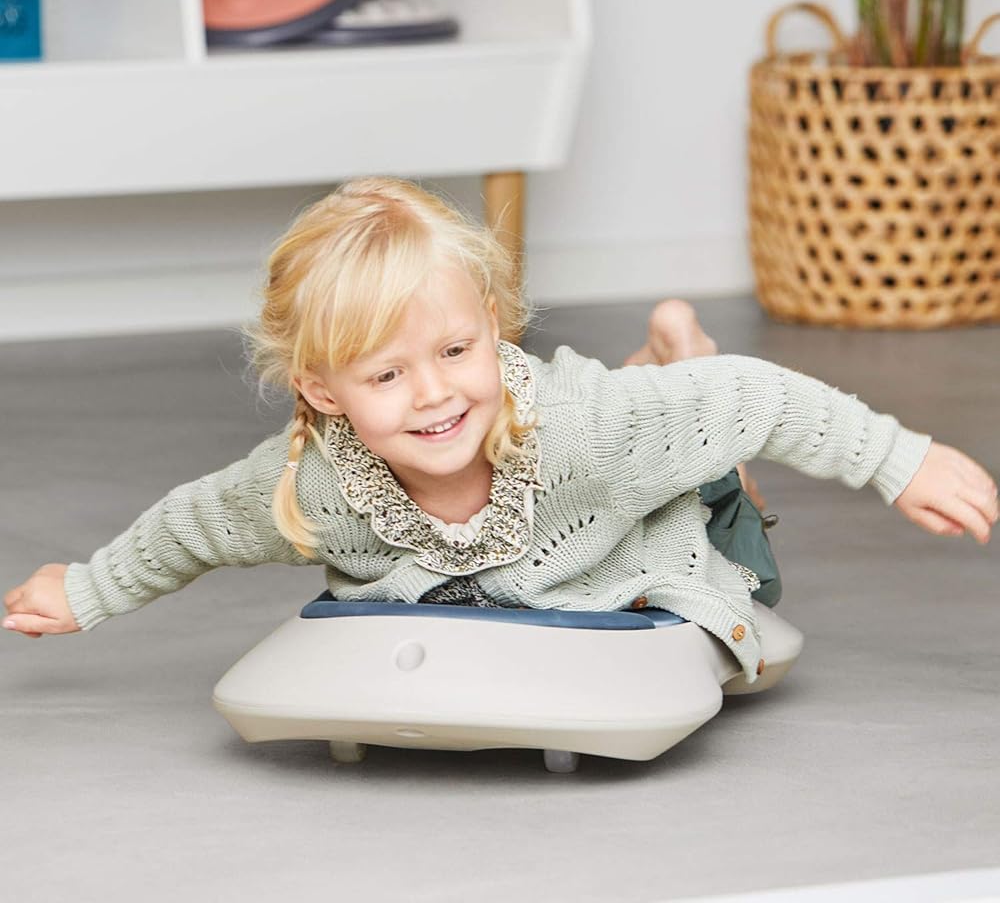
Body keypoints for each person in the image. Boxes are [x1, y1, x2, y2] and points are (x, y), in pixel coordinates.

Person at [3, 177, 997, 683]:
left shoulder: (585, 431)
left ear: (492, 325)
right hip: (602, 453)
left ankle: (675, 360)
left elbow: (757, 395)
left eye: (454, 351)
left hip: (638, 528)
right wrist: (88, 588)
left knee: (715, 477)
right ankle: (663, 360)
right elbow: (193, 526)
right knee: (657, 418)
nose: (434, 395)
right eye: (386, 374)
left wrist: (899, 460)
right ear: (322, 391)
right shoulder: (315, 488)